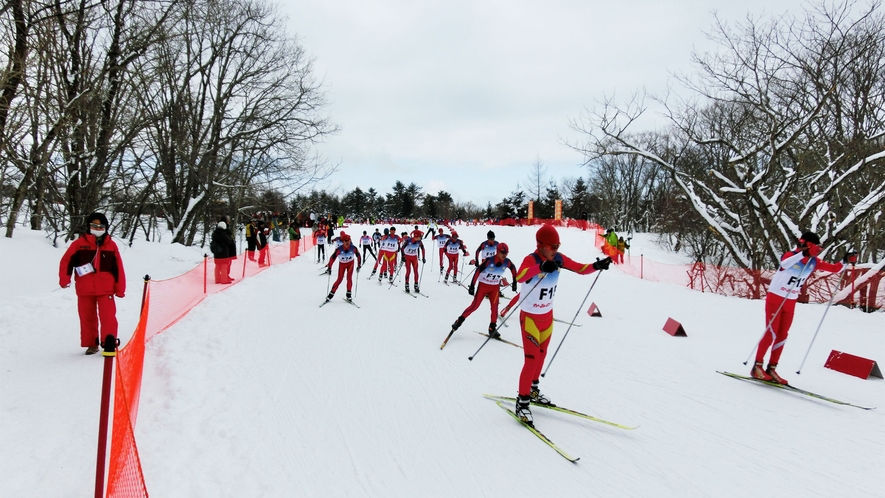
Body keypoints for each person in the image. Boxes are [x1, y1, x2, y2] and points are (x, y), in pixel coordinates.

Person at [512, 224, 611, 426]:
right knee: (531, 360)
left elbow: (580, 269)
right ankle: (522, 403)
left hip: (547, 317)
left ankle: (533, 390)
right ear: (540, 245)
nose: (556, 250)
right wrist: (540, 267)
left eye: (558, 245)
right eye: (552, 246)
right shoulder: (531, 260)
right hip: (530, 317)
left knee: (541, 356)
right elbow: (519, 276)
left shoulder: (558, 258)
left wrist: (597, 266)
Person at [751, 232, 855, 385]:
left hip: (791, 300)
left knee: (782, 335)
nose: (817, 250)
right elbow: (784, 264)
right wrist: (803, 253)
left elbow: (834, 269)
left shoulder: (813, 261)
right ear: (806, 244)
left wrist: (845, 260)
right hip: (776, 297)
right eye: (815, 247)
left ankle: (772, 368)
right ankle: (757, 366)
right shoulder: (791, 255)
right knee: (771, 332)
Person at [58, 213, 127, 355]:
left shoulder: (111, 246)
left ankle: (109, 342)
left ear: (105, 228)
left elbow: (118, 268)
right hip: (85, 288)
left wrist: (120, 288)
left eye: (100, 226)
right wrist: (65, 279)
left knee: (108, 317)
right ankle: (91, 344)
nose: (97, 228)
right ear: (89, 226)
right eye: (94, 226)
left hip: (106, 289)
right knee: (87, 318)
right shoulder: (78, 244)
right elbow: (66, 262)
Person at [451, 243, 517, 339]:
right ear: (497, 251)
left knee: (495, 308)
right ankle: (459, 321)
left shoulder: (507, 262)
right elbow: (478, 271)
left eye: (506, 253)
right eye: (503, 253)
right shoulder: (489, 260)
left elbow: (513, 269)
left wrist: (514, 281)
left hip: (494, 288)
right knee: (475, 306)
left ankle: (492, 328)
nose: (505, 255)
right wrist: (472, 285)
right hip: (483, 286)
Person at [323, 233, 362, 302]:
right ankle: (331, 294)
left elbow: (358, 255)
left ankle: (348, 295)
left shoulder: (353, 248)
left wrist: (359, 265)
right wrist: (329, 267)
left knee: (349, 278)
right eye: (345, 241)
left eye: (348, 240)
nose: (347, 242)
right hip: (342, 265)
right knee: (339, 279)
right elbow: (332, 258)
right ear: (343, 241)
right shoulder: (339, 249)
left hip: (350, 264)